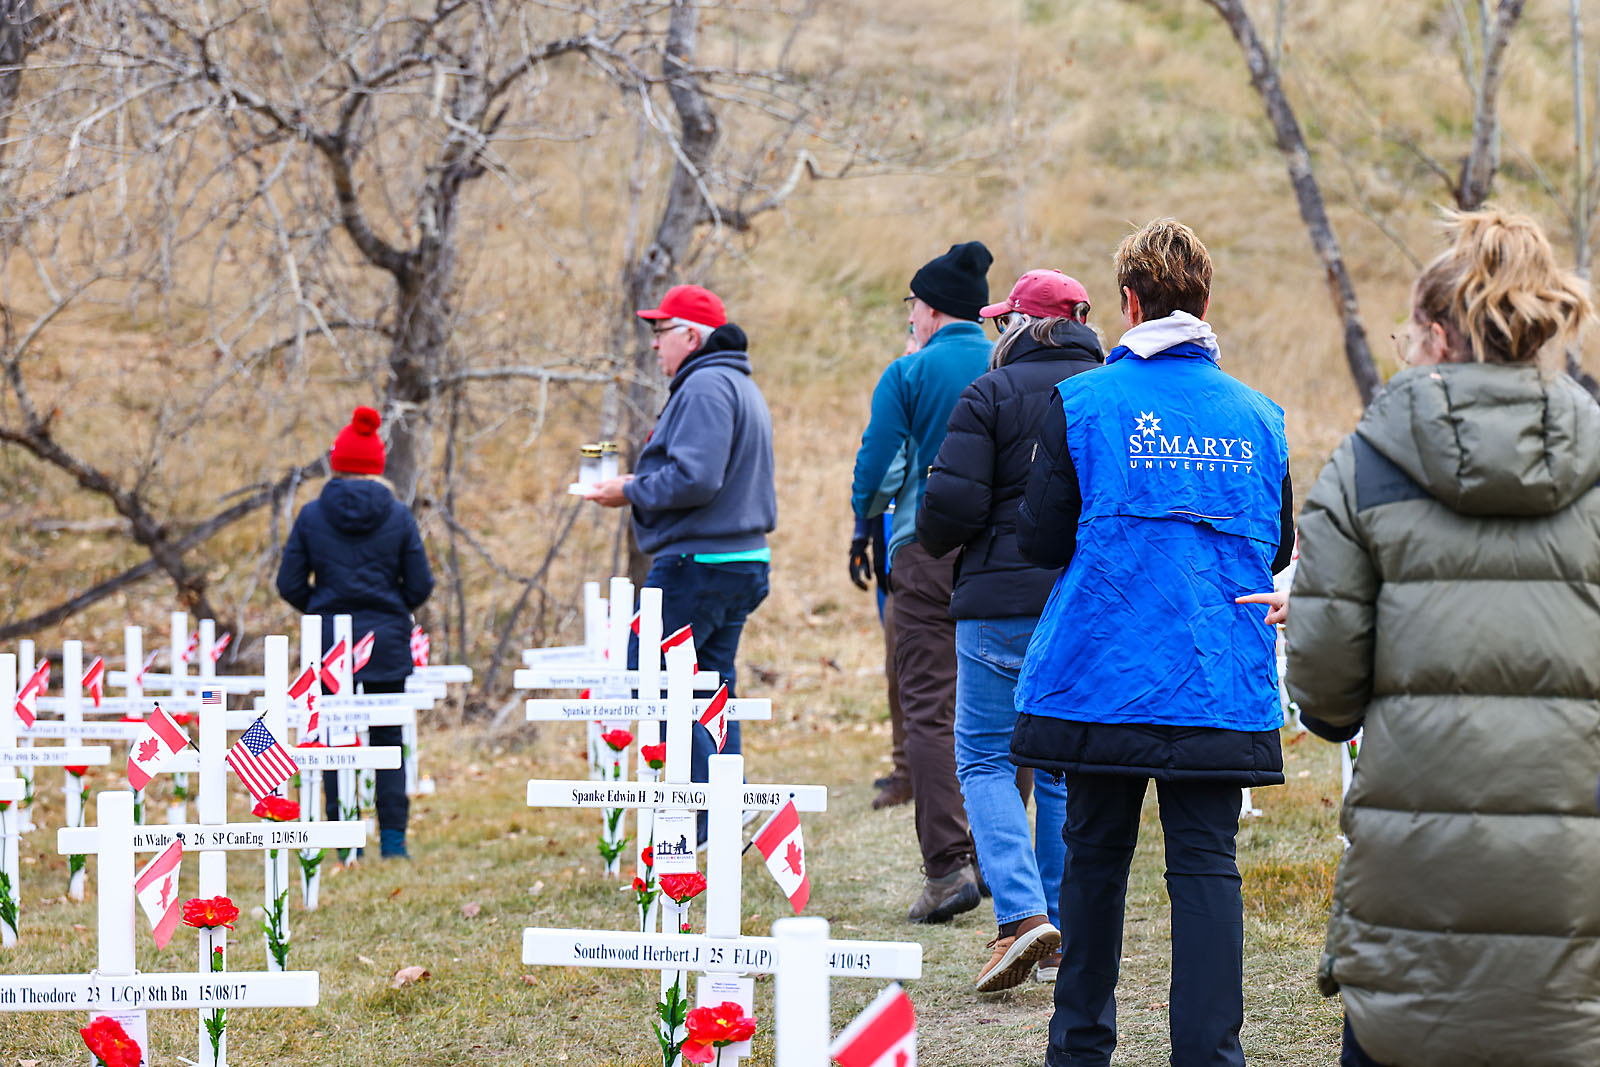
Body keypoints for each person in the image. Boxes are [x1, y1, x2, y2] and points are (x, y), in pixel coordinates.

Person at [1284, 208, 1597, 1067]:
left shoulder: (1366, 465)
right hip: (1578, 878)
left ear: (1432, 333)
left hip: (1414, 879)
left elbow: (1322, 689)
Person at [1010, 218, 1294, 1067]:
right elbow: (1274, 547)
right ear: (1205, 302)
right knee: (1206, 866)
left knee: (1093, 858)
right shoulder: (1259, 415)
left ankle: (1080, 1047)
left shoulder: (1085, 402)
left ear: (1128, 301)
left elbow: (1040, 537)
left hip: (1105, 669)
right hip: (1215, 675)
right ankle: (1210, 1055)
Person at [918, 269, 1105, 991]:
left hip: (997, 600)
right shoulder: (1107, 391)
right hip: (1079, 602)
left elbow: (948, 507)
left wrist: (937, 540)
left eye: (1004, 322)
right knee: (1056, 760)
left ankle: (1022, 916)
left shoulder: (989, 395)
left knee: (985, 758)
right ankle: (1057, 929)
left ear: (1022, 326)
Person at [584, 284, 776, 797]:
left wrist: (628, 489)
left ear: (690, 336)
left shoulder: (705, 387)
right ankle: (716, 813)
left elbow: (696, 478)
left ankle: (683, 815)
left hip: (701, 563)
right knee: (710, 692)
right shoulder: (735, 383)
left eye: (661, 331)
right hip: (735, 559)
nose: (653, 344)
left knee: (648, 678)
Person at [852, 240, 993, 923]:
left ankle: (947, 867)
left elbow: (878, 467)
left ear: (930, 308)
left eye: (913, 303)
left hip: (924, 550)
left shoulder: (908, 373)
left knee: (929, 704)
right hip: (1005, 557)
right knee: (1004, 701)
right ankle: (999, 856)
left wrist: (863, 525)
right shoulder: (1005, 361)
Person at [277, 406, 434, 860]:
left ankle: (345, 843)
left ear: (337, 464)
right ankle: (393, 843)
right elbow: (421, 584)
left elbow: (289, 584)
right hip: (385, 644)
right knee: (388, 741)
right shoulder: (400, 516)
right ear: (376, 467)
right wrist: (388, 612)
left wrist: (323, 611)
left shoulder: (311, 516)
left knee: (334, 740)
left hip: (329, 649)